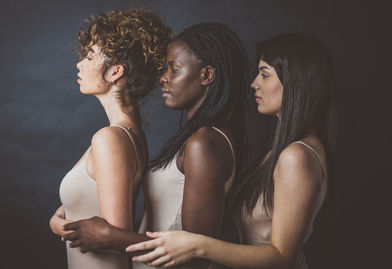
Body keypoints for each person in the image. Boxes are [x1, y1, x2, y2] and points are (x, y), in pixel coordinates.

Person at [126, 33, 338, 269]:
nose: (254, 83)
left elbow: (281, 257)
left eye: (265, 75)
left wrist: (197, 245)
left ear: (297, 81)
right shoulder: (283, 151)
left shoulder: (296, 156)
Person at [62, 23, 250, 269]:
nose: (163, 77)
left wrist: (109, 235)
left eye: (174, 69)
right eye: (165, 69)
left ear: (206, 75)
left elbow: (196, 253)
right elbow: (169, 223)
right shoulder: (196, 138)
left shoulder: (205, 143)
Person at [49, 8, 172, 269]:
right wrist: (60, 223)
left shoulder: (111, 139)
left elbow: (112, 238)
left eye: (90, 55)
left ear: (116, 72)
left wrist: (58, 225)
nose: (79, 63)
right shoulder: (127, 134)